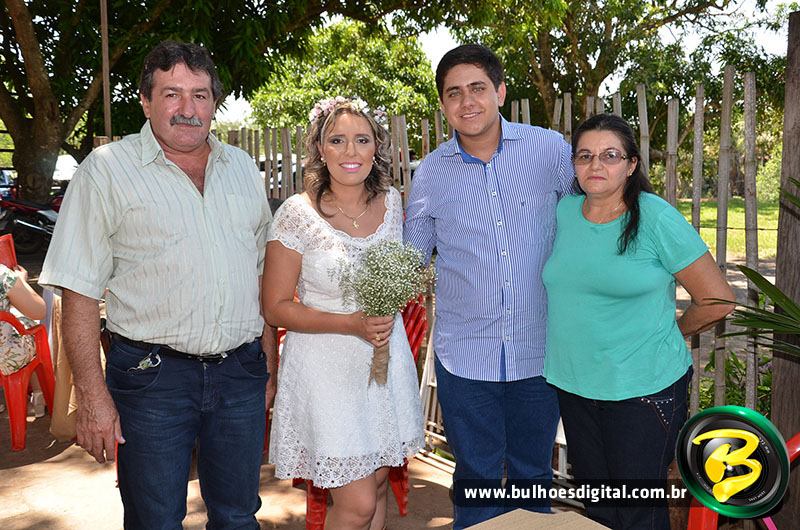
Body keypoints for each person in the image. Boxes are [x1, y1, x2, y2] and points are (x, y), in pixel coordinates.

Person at [39, 41, 274, 529]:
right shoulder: (106, 171)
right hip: (151, 380)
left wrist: (266, 365)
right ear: (146, 101)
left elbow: (260, 276)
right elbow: (78, 291)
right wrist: (93, 397)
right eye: (172, 94)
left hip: (240, 374)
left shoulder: (243, 170)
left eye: (200, 95)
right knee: (155, 521)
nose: (188, 108)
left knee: (238, 517)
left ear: (214, 103)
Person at [404, 44, 575, 528]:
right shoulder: (432, 172)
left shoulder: (549, 150)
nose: (467, 101)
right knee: (476, 476)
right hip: (464, 355)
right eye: (453, 93)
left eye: (477, 88)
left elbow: (590, 217)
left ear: (499, 92)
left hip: (539, 351)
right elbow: (411, 255)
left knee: (532, 475)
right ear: (443, 104)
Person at [542, 113, 735, 529]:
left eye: (610, 155)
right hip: (575, 387)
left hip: (641, 391)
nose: (596, 165)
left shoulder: (655, 217)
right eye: (585, 156)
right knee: (599, 508)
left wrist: (672, 331)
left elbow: (718, 299)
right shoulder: (565, 213)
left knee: (638, 514)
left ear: (631, 165)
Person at [263, 97, 423, 530]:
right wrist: (351, 324)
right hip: (326, 372)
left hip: (384, 367)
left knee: (377, 487)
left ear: (376, 147)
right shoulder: (297, 214)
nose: (350, 151)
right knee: (357, 505)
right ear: (320, 149)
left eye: (361, 140)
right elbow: (275, 307)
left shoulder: (392, 203)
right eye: (337, 140)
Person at [0, 263, 47, 415]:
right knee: (31, 328)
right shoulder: (3, 274)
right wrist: (21, 282)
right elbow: (39, 311)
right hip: (5, 359)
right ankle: (39, 395)